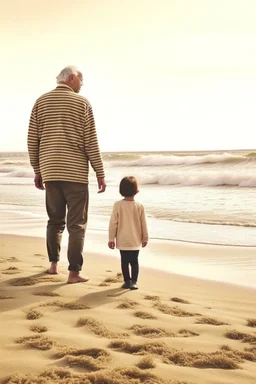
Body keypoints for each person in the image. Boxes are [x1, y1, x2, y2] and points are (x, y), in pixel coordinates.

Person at [27, 65, 106, 284]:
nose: (82, 84)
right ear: (71, 78)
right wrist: (99, 172)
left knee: (54, 221)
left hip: (51, 171)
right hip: (76, 175)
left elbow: (33, 140)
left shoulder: (41, 102)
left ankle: (53, 265)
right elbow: (90, 141)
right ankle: (74, 272)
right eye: (81, 80)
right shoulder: (82, 103)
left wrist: (38, 169)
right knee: (77, 225)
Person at [108, 176, 148, 290]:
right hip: (136, 239)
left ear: (121, 190)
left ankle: (127, 281)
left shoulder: (118, 205)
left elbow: (113, 223)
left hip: (122, 239)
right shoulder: (139, 206)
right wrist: (145, 238)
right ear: (136, 190)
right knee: (134, 261)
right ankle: (134, 282)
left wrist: (111, 238)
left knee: (124, 261)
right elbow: (143, 224)